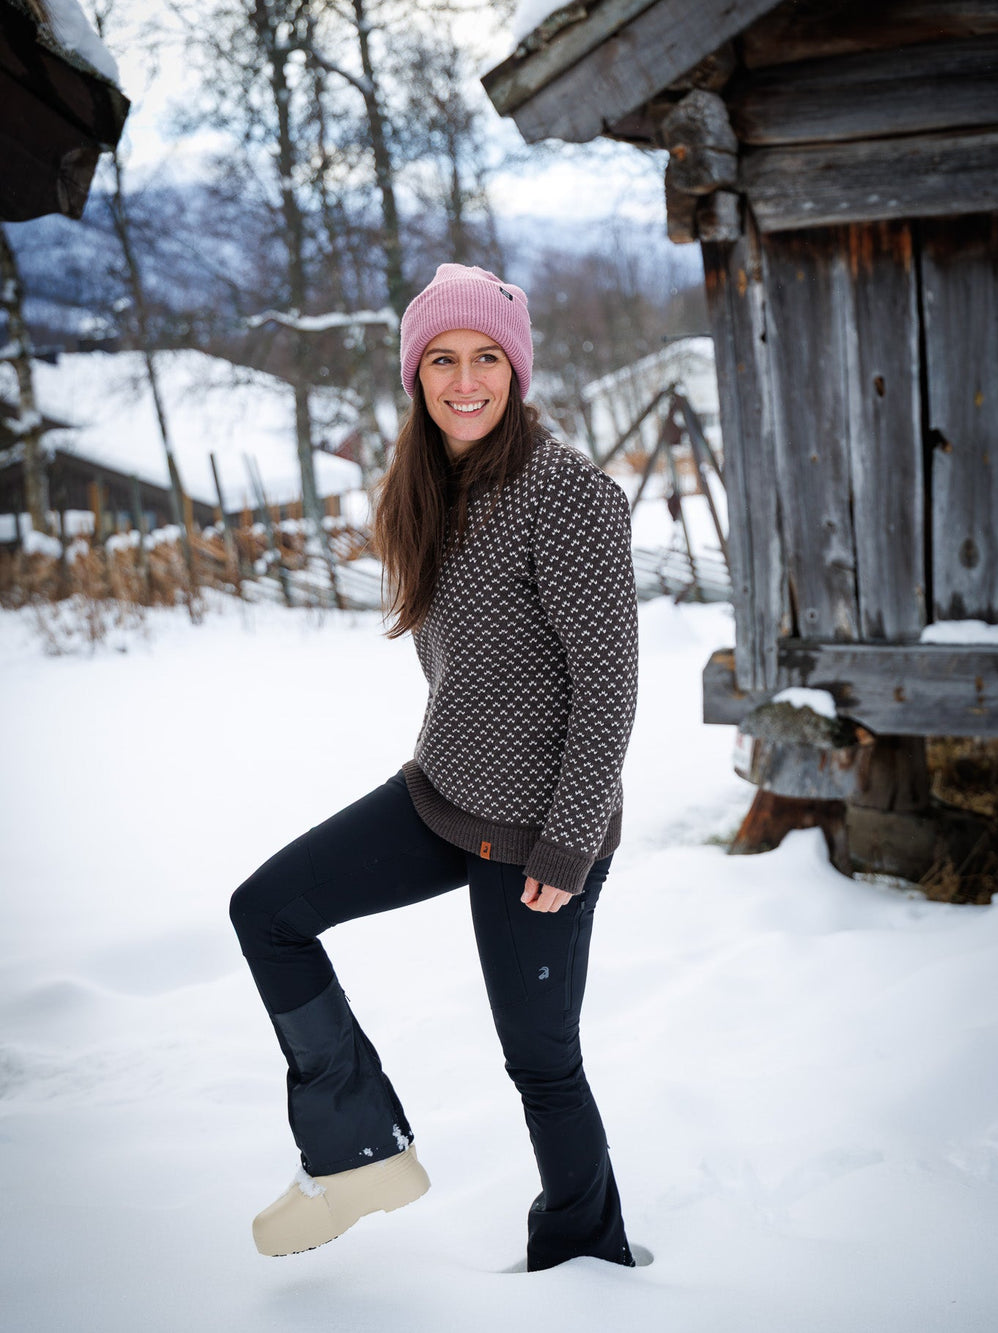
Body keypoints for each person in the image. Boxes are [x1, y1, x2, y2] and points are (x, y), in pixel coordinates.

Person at [229, 263, 639, 1272]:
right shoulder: (430, 485)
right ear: (416, 373)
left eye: (486, 358)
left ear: (517, 369)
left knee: (541, 1062)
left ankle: (586, 1257)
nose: (465, 381)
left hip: (541, 829)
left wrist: (568, 844)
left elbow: (608, 689)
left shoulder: (568, 495)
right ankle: (354, 1150)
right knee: (267, 911)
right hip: (443, 792)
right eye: (443, 359)